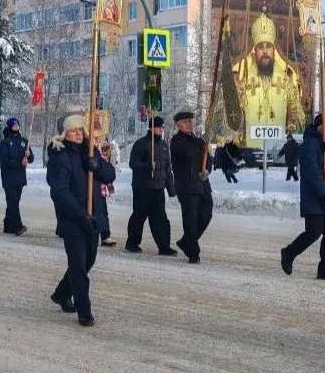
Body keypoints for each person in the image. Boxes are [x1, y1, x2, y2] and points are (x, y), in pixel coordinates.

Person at [46, 115, 115, 327]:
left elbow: (110, 175)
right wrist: (80, 214)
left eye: (79, 130)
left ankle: (61, 293)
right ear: (64, 134)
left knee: (88, 261)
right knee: (78, 266)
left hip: (93, 218)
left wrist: (97, 166)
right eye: (72, 130)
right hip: (73, 219)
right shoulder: (59, 156)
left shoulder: (90, 151)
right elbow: (60, 192)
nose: (77, 133)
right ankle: (84, 310)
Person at [281, 114, 325, 281]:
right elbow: (312, 173)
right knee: (314, 232)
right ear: (319, 125)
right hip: (315, 199)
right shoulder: (309, 145)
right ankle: (289, 252)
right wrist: (323, 194)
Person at [126, 116, 177, 256]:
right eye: (159, 127)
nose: (161, 130)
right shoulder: (141, 144)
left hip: (158, 188)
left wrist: (171, 188)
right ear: (151, 128)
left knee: (160, 218)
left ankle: (164, 247)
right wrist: (148, 165)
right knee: (139, 216)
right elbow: (133, 164)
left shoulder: (164, 145)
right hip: (142, 187)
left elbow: (167, 168)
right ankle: (132, 243)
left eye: (162, 127)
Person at [169, 111, 213, 264]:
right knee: (190, 220)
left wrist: (207, 170)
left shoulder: (196, 140)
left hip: (202, 184)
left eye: (189, 121)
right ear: (178, 125)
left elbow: (208, 158)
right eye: (185, 122)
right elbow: (189, 153)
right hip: (187, 187)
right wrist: (202, 142)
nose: (188, 124)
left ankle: (186, 241)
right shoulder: (176, 141)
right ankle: (193, 253)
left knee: (206, 215)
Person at [0, 117, 34, 235]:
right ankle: (18, 226)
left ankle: (8, 225)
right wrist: (20, 162)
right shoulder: (5, 142)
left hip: (20, 178)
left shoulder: (24, 141)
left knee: (13, 203)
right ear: (10, 127)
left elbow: (31, 159)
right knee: (13, 202)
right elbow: (5, 160)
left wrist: (29, 155)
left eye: (17, 125)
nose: (16, 127)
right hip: (9, 177)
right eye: (14, 125)